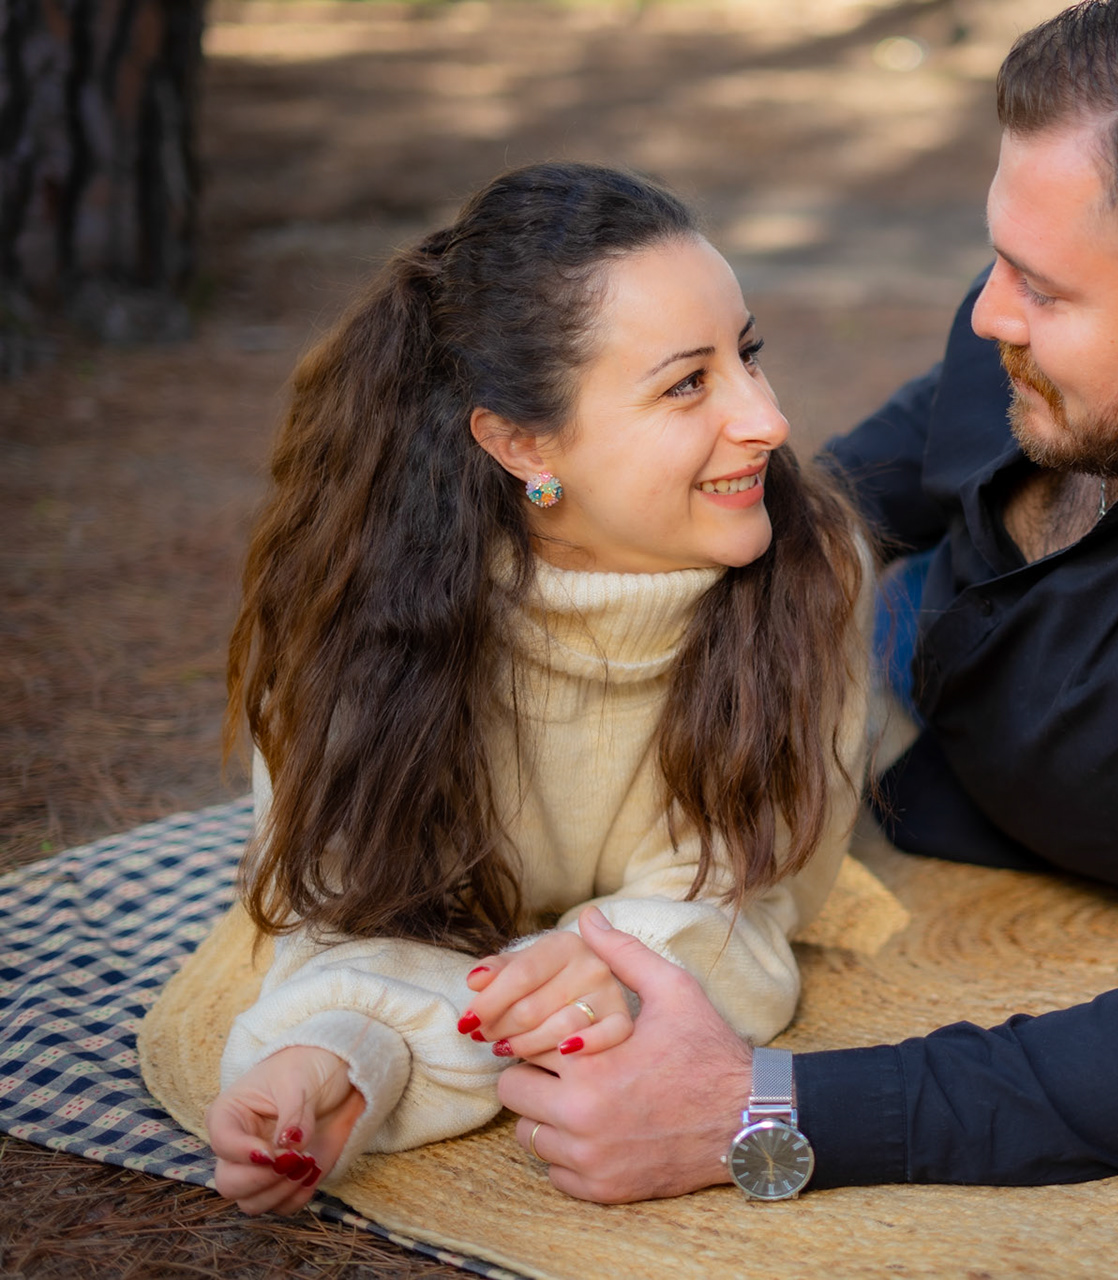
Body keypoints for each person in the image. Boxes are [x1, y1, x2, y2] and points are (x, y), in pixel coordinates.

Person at [499, 0, 1118, 1198]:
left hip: (943, 788)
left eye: (1039, 286)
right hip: (875, 660)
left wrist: (753, 1105)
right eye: (999, 257)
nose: (987, 314)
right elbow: (835, 510)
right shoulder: (1090, 324)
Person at [201, 162, 870, 1214]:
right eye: (688, 383)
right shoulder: (348, 616)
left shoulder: (809, 576)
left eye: (747, 355)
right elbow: (339, 908)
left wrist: (603, 964)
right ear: (522, 444)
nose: (769, 419)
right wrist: (345, 1051)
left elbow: (747, 916)